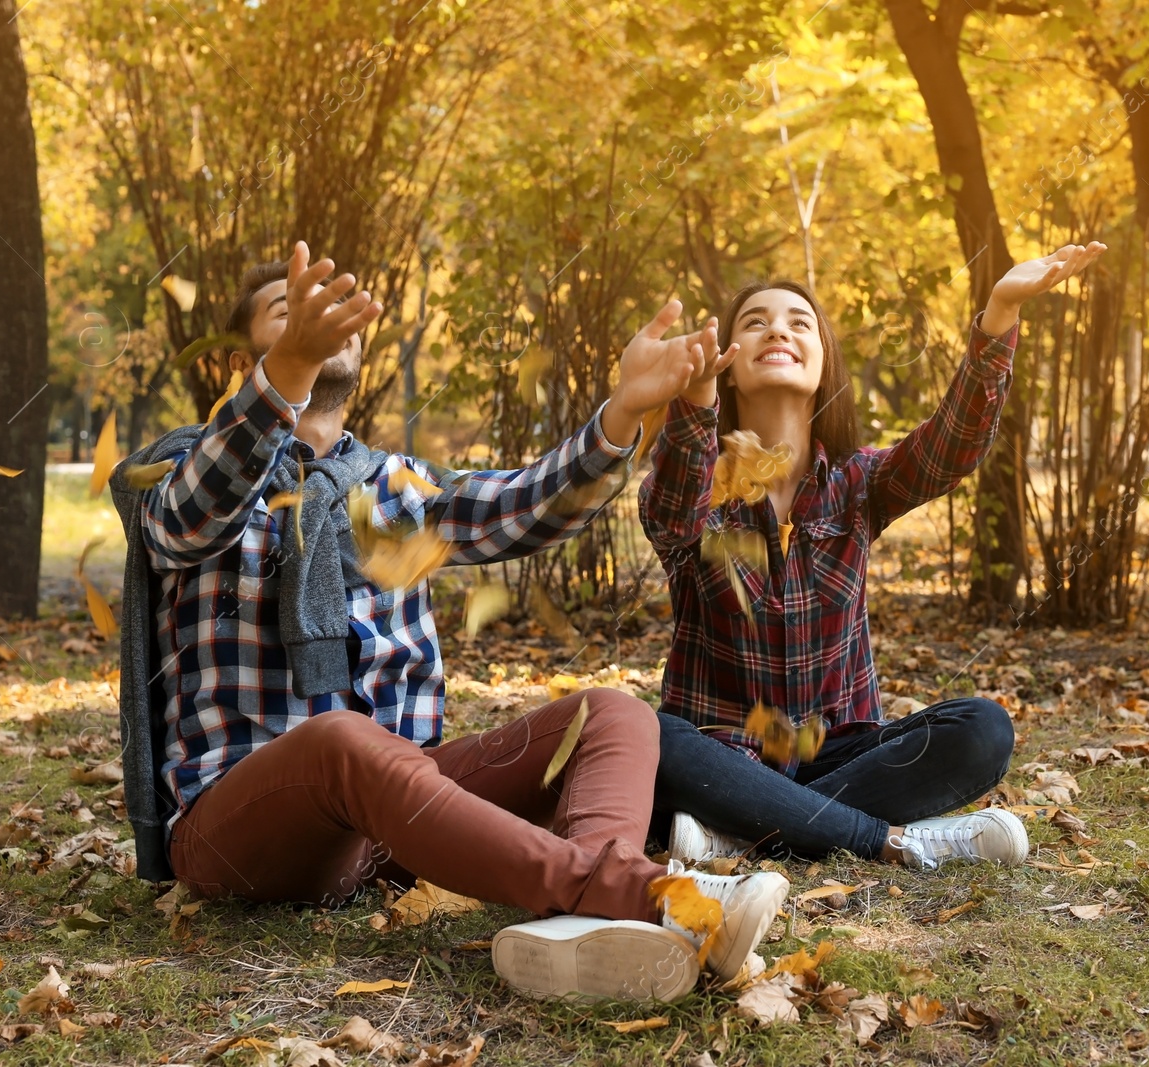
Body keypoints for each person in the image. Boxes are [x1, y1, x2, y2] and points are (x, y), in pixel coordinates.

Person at [108, 244, 788, 1001]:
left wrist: (625, 409)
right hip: (238, 833)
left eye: (337, 311)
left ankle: (582, 928)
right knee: (339, 739)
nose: (321, 321)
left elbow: (523, 506)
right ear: (244, 360)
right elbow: (185, 523)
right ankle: (648, 893)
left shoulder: (398, 486)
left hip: (393, 828)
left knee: (615, 715)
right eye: (292, 310)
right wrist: (288, 375)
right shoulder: (180, 469)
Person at [639, 243, 1107, 870]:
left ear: (824, 361)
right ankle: (886, 839)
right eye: (755, 321)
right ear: (726, 365)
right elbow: (672, 506)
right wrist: (694, 406)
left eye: (799, 322)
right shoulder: (695, 485)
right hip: (719, 754)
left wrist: (999, 311)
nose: (778, 327)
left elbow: (952, 447)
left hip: (842, 754)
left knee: (983, 730)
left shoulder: (859, 484)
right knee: (655, 742)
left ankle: (739, 831)